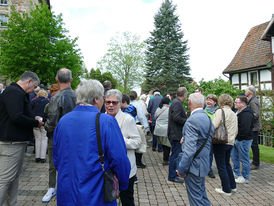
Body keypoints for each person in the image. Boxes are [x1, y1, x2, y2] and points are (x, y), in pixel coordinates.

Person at [53, 80, 130, 206]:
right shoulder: (106, 121)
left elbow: (57, 158)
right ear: (96, 99)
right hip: (96, 192)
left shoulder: (63, 121)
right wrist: (123, 184)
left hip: (67, 192)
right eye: (103, 99)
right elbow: (120, 159)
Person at [0, 71, 43, 206]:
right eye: (34, 86)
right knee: (5, 179)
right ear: (29, 81)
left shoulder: (16, 92)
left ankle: (12, 203)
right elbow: (16, 116)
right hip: (11, 143)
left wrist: (33, 117)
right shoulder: (14, 92)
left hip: (15, 141)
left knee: (13, 178)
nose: (34, 90)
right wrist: (35, 123)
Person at [42, 68, 77, 203]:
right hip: (76, 138)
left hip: (57, 138)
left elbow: (51, 123)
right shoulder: (79, 96)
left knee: (53, 164)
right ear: (71, 80)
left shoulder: (56, 97)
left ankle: (52, 188)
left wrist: (43, 126)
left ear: (57, 80)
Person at [176, 93, 214, 206]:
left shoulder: (192, 120)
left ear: (189, 103)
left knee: (196, 200)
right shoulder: (207, 117)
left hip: (194, 166)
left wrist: (181, 169)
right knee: (202, 196)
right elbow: (205, 140)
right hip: (203, 164)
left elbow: (189, 151)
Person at [105, 89, 141, 206]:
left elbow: (137, 142)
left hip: (125, 169)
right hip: (107, 169)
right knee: (108, 198)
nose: (110, 105)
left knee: (127, 200)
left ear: (120, 103)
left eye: (114, 102)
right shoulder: (100, 119)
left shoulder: (127, 119)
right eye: (108, 102)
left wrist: (119, 140)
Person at [212, 94, 238, 196]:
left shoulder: (220, 111)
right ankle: (233, 186)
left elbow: (214, 125)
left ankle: (226, 189)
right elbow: (236, 129)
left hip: (220, 142)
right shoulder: (233, 113)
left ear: (221, 101)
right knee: (227, 164)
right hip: (230, 142)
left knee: (221, 166)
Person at [231, 95, 254, 184]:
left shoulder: (247, 113)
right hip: (237, 139)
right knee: (234, 157)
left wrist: (239, 138)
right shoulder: (238, 111)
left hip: (243, 140)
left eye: (237, 102)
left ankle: (245, 177)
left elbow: (245, 128)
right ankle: (236, 172)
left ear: (243, 104)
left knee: (244, 158)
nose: (235, 103)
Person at [168, 87, 188, 183]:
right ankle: (172, 176)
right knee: (175, 156)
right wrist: (187, 121)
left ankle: (174, 175)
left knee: (175, 155)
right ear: (184, 94)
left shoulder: (176, 102)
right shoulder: (177, 103)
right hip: (175, 133)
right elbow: (176, 117)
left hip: (174, 133)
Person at [130, 91, 149, 169]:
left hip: (129, 125)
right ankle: (138, 162)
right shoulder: (137, 105)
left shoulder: (128, 104)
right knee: (139, 143)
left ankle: (132, 161)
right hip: (137, 125)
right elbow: (141, 116)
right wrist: (146, 126)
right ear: (136, 97)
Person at [31, 89, 50, 163]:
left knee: (37, 139)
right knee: (44, 139)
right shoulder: (47, 102)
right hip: (44, 122)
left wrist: (35, 119)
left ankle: (37, 157)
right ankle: (42, 157)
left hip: (35, 122)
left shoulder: (33, 101)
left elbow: (30, 111)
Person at [245, 86, 261, 170]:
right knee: (253, 145)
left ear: (250, 92)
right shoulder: (251, 101)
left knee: (254, 145)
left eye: (246, 90)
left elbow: (256, 114)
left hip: (254, 127)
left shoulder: (253, 102)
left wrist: (247, 118)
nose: (245, 91)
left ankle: (256, 163)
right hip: (253, 126)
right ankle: (255, 162)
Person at [204, 94, 219, 179]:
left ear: (215, 102)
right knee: (208, 154)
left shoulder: (218, 111)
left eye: (211, 100)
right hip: (206, 136)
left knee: (216, 153)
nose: (208, 101)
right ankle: (208, 169)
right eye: (207, 99)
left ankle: (220, 168)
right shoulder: (203, 111)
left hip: (217, 136)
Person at [154, 97, 171, 165]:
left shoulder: (158, 109)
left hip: (158, 129)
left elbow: (155, 117)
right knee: (167, 146)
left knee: (164, 145)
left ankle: (165, 158)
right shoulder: (169, 109)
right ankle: (166, 159)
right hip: (166, 130)